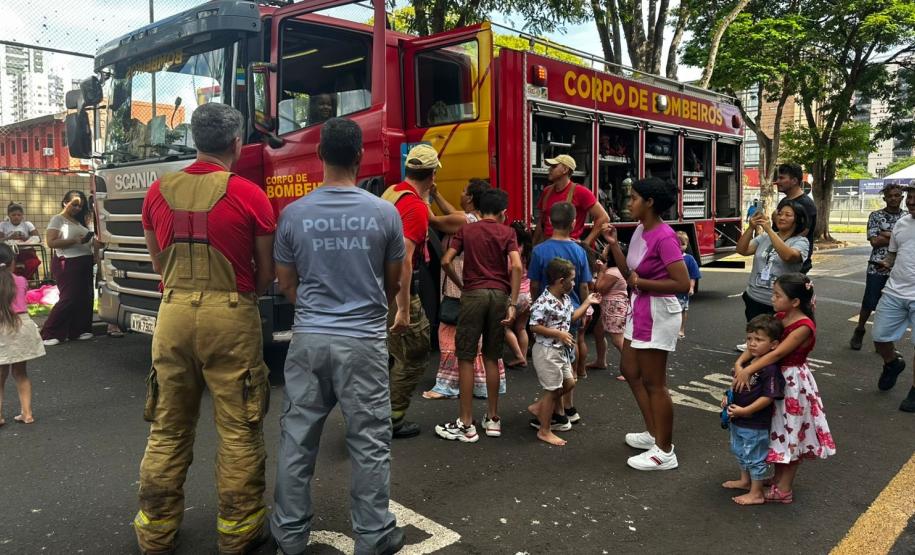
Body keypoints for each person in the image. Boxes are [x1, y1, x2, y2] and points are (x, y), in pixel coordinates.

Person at [135, 103, 276, 555]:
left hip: (173, 313)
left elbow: (159, 263)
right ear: (236, 144)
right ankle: (239, 534)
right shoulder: (249, 194)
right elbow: (266, 272)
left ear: (194, 141)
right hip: (231, 318)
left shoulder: (157, 192)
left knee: (167, 428)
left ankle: (155, 533)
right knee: (238, 428)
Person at [271, 118, 407, 554]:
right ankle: (373, 535)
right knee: (369, 442)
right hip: (364, 341)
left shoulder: (293, 214)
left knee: (297, 439)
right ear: (358, 157)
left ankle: (289, 536)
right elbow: (391, 283)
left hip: (309, 338)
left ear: (319, 157)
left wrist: (314, 311)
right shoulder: (385, 213)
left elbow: (287, 283)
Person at [602, 177, 690, 471]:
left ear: (650, 203)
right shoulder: (641, 229)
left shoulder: (665, 237)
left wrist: (643, 282)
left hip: (658, 313)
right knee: (629, 369)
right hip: (639, 308)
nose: (629, 203)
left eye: (634, 198)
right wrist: (614, 245)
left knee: (656, 383)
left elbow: (681, 282)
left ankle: (665, 451)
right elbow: (630, 273)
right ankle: (653, 433)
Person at [733, 274, 835, 503]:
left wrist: (748, 371)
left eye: (778, 295)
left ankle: (784, 488)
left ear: (795, 301)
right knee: (777, 429)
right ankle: (778, 479)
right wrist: (740, 363)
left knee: (791, 432)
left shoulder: (804, 326)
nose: (773, 299)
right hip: (775, 377)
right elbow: (760, 341)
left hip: (792, 384)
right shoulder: (780, 316)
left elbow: (777, 353)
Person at [435, 189, 522, 442]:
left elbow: (446, 260)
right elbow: (516, 265)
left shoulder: (467, 230)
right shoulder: (508, 233)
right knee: (493, 357)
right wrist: (513, 303)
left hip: (473, 294)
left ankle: (465, 423)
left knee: (466, 357)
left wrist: (461, 285)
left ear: (479, 208)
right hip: (498, 296)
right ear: (503, 212)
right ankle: (493, 419)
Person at [423, 179, 507, 400]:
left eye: (463, 191)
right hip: (480, 284)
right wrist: (437, 194)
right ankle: (480, 385)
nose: (460, 194)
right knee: (475, 336)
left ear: (470, 197)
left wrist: (422, 195)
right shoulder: (476, 219)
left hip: (459, 283)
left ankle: (447, 385)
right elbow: (452, 211)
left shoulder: (463, 221)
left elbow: (432, 219)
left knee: (450, 333)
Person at [381, 144, 438, 439]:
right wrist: (404, 309)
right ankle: (392, 419)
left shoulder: (393, 193)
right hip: (398, 292)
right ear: (431, 175)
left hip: (378, 288)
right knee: (414, 355)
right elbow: (403, 258)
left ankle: (378, 414)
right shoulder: (415, 207)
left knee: (392, 353)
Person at [528, 202, 591, 428]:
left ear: (548, 222)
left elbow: (534, 284)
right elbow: (584, 285)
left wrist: (536, 305)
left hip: (549, 313)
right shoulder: (579, 250)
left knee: (554, 363)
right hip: (571, 309)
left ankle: (557, 412)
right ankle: (569, 407)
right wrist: (586, 308)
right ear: (574, 223)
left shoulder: (539, 251)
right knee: (568, 358)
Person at [528, 257, 600, 446]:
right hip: (547, 351)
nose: (575, 283)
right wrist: (557, 333)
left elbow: (572, 317)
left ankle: (540, 407)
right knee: (553, 391)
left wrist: (588, 303)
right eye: (572, 279)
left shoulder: (566, 299)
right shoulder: (543, 302)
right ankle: (544, 430)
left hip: (561, 351)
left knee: (569, 383)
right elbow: (534, 326)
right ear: (561, 281)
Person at [720, 314, 785, 505]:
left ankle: (756, 492)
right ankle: (745, 480)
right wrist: (728, 395)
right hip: (738, 417)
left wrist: (747, 410)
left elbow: (769, 397)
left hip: (755, 421)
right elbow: (736, 385)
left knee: (755, 455)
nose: (752, 344)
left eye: (758, 339)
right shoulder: (749, 363)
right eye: (749, 339)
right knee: (740, 450)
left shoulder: (770, 369)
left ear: (773, 345)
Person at [734, 200, 809, 352]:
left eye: (788, 215)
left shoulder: (801, 241)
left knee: (775, 345)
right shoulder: (764, 238)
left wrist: (769, 230)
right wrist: (751, 228)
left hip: (779, 304)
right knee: (758, 341)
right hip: (754, 298)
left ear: (798, 220)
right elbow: (742, 250)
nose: (781, 217)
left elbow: (789, 256)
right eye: (780, 213)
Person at [871, 183, 915, 413]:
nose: (910, 203)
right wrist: (885, 264)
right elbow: (893, 253)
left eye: (914, 200)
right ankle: (892, 363)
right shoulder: (902, 223)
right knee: (879, 337)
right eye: (910, 199)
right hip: (895, 290)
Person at [849, 184, 904, 350]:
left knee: (892, 305)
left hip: (899, 268)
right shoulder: (876, 215)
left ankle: (884, 340)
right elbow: (874, 241)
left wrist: (886, 233)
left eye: (897, 195)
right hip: (877, 266)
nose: (893, 198)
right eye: (890, 196)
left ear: (902, 197)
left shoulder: (908, 217)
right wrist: (898, 236)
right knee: (870, 302)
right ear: (885, 198)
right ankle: (860, 329)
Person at [40, 191, 95, 346]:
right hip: (68, 262)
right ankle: (49, 332)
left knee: (84, 298)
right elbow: (51, 242)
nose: (77, 208)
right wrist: (75, 241)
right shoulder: (58, 219)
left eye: (80, 206)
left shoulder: (79, 222)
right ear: (65, 202)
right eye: (74, 204)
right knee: (69, 297)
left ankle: (78, 330)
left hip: (85, 262)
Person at [0, 243, 44, 426]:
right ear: (12, 262)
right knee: (21, 373)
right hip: (22, 325)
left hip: (2, 327)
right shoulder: (21, 281)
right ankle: (27, 414)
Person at [532, 154, 610, 247]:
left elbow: (604, 217)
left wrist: (586, 243)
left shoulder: (581, 192)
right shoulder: (547, 191)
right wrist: (533, 246)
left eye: (554, 167)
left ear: (565, 170)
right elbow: (541, 223)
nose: (549, 169)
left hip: (569, 249)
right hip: (548, 247)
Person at [593, 245, 629, 381]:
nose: (603, 254)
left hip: (613, 307)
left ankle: (631, 370)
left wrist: (601, 272)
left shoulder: (613, 272)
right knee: (598, 332)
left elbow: (599, 288)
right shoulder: (619, 269)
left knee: (618, 339)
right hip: (611, 306)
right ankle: (600, 361)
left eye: (606, 252)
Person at [774, 163, 817, 274]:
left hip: (795, 267)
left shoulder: (806, 204)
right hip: (777, 262)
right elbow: (777, 231)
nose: (777, 182)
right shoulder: (784, 202)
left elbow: (802, 233)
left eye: (782, 178)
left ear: (794, 181)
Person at [504, 221, 533, 369]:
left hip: (515, 295)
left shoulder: (513, 253)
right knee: (521, 328)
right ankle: (523, 359)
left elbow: (509, 271)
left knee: (504, 327)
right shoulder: (528, 251)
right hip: (528, 296)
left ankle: (519, 356)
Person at [1, 203, 42, 279]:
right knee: (7, 264)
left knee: (33, 262)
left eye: (19, 215)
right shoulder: (3, 225)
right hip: (9, 253)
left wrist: (25, 239)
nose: (16, 217)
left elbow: (38, 238)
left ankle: (24, 280)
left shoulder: (27, 224)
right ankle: (13, 281)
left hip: (26, 251)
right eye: (13, 215)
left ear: (22, 215)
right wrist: (10, 237)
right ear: (9, 215)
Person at [676, 231, 701, 340]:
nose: (680, 247)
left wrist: (691, 287)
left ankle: (681, 329)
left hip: (682, 291)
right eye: (677, 244)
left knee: (682, 310)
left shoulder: (689, 259)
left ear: (687, 245)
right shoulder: (666, 257)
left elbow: (693, 275)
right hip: (669, 290)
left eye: (683, 244)